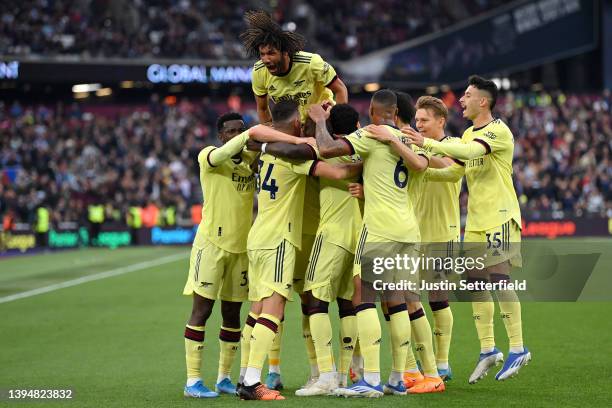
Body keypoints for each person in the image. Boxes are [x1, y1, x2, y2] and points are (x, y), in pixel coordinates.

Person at [308, 90, 444, 397]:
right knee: (397, 301)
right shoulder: (410, 139)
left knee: (363, 296)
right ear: (395, 112)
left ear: (372, 110)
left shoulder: (369, 135)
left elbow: (328, 149)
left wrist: (319, 120)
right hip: (408, 231)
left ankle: (370, 379)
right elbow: (425, 166)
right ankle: (398, 377)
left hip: (380, 230)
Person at [241, 10, 349, 390]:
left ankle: (258, 374)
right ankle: (266, 375)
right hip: (300, 164)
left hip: (312, 141)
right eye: (263, 54)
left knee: (282, 300)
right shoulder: (260, 77)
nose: (267, 61)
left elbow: (341, 92)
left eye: (272, 54)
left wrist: (324, 121)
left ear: (285, 51)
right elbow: (261, 116)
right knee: (298, 296)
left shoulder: (312, 64)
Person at [405, 75, 530, 383]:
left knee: (499, 279)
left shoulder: (497, 131)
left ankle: (518, 348)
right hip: (474, 222)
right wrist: (415, 171)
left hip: (499, 216)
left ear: (482, 101)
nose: (461, 99)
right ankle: (488, 349)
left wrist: (426, 144)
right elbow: (451, 173)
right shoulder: (470, 133)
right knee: (476, 285)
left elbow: (472, 154)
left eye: (467, 95)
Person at [182, 112, 312, 399]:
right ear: (221, 135)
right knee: (202, 311)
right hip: (211, 245)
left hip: (243, 248)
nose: (235, 134)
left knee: (232, 315)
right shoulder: (210, 156)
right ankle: (192, 381)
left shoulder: (252, 162)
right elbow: (227, 152)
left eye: (239, 129)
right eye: (230, 131)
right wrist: (252, 133)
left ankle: (224, 378)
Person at [238, 101, 361, 401]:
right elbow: (335, 171)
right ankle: (254, 382)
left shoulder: (267, 154)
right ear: (296, 124)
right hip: (279, 238)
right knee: (274, 309)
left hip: (258, 235)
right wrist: (371, 163)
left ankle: (244, 375)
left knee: (256, 311)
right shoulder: (293, 156)